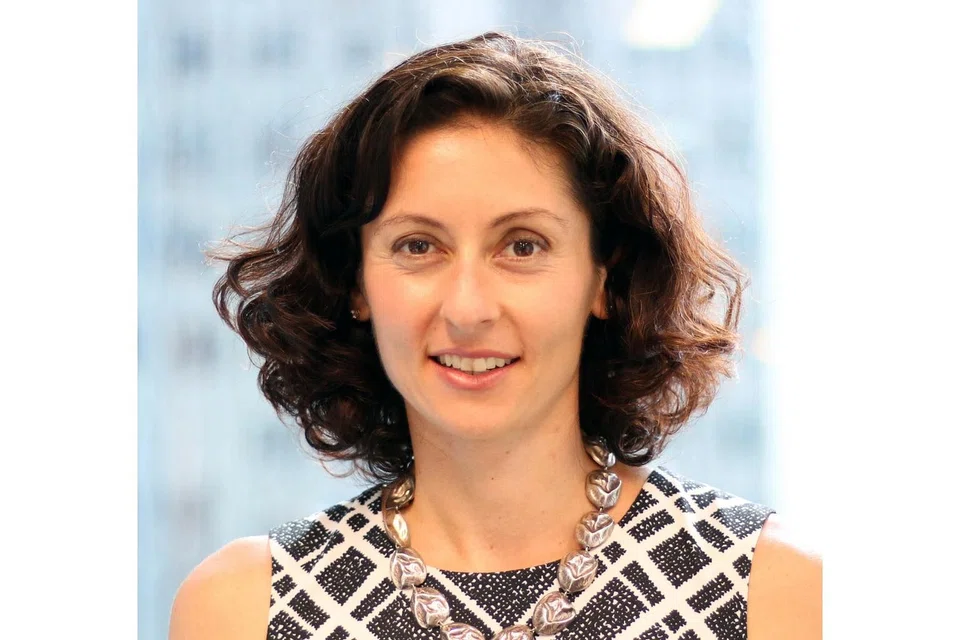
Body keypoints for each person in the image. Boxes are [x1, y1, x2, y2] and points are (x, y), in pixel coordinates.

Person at [169, 32, 821, 640]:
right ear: (355, 283)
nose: (469, 308)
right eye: (418, 245)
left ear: (604, 278)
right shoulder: (245, 609)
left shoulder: (774, 591)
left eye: (522, 245)